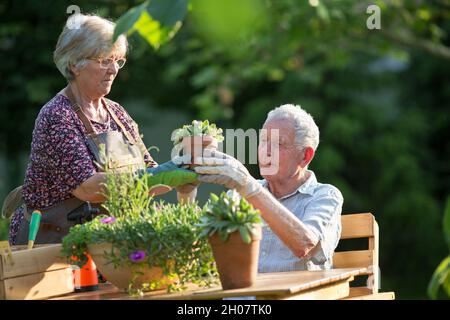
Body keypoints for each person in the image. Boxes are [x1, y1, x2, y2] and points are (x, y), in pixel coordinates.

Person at [5, 14, 197, 246]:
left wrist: (186, 170)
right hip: (53, 249)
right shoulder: (58, 116)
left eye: (118, 60)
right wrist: (167, 173)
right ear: (75, 64)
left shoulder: (116, 113)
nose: (114, 69)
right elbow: (89, 188)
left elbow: (150, 175)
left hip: (106, 243)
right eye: (105, 60)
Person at [195, 104, 343, 272]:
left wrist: (250, 189)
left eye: (279, 143)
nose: (266, 151)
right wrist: (187, 192)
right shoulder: (241, 192)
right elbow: (200, 247)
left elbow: (307, 246)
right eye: (264, 141)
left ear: (305, 156)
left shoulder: (325, 196)